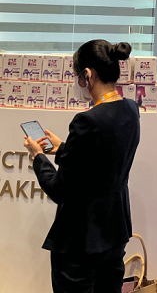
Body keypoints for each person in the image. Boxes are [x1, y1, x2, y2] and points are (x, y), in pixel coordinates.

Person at [23, 40, 140, 292]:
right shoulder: (131, 109)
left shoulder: (87, 120)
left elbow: (59, 189)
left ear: (88, 75)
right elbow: (101, 161)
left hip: (81, 239)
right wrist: (63, 149)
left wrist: (38, 157)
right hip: (114, 230)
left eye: (77, 76)